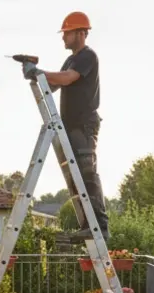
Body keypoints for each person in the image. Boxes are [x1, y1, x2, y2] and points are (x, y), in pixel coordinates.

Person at [40, 11, 107, 241]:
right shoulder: (71, 60)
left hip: (83, 125)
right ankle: (87, 225)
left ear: (80, 33)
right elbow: (58, 82)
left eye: (66, 33)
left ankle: (100, 227)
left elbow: (67, 78)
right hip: (69, 127)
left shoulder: (87, 57)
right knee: (75, 177)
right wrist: (36, 75)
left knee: (87, 174)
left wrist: (40, 73)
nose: (63, 38)